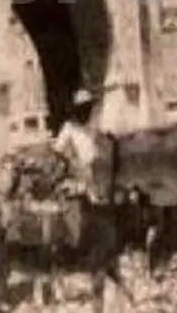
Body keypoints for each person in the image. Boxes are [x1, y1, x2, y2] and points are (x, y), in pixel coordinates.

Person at [52, 89, 109, 247]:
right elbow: (58, 151)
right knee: (82, 205)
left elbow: (104, 144)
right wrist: (71, 161)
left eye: (88, 108)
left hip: (97, 170)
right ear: (77, 110)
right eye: (83, 108)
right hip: (79, 172)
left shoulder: (93, 127)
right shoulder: (69, 128)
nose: (86, 112)